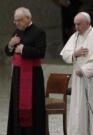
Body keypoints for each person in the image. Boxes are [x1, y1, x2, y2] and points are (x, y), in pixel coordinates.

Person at [60, 12, 93, 135]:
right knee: (79, 110)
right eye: (75, 24)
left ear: (88, 23)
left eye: (79, 24)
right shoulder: (75, 36)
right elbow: (65, 54)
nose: (76, 27)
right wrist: (75, 54)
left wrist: (84, 70)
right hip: (79, 81)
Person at [4, 7, 46, 135]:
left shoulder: (39, 32)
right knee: (17, 106)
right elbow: (8, 51)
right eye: (15, 21)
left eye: (20, 20)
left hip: (33, 76)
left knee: (33, 106)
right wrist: (11, 44)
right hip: (18, 75)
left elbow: (41, 53)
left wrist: (23, 49)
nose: (17, 23)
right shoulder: (17, 31)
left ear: (28, 18)